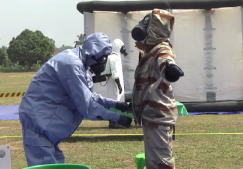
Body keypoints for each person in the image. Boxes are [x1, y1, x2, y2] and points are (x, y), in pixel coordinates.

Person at [18, 32, 132, 167]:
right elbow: (87, 105)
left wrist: (116, 104)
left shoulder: (80, 65)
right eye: (102, 59)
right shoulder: (71, 64)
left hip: (46, 125)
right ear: (93, 53)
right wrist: (117, 118)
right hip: (39, 123)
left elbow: (91, 96)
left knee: (57, 162)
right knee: (45, 164)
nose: (103, 64)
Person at [130, 9, 184, 169]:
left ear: (155, 28)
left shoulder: (162, 48)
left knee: (162, 164)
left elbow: (166, 60)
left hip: (158, 116)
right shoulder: (150, 51)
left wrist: (170, 69)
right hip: (151, 115)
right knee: (153, 163)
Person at [93, 39, 128, 129]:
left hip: (111, 83)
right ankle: (113, 122)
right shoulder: (115, 57)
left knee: (112, 101)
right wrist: (119, 85)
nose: (122, 49)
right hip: (114, 84)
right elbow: (115, 72)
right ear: (118, 47)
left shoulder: (111, 56)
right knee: (115, 101)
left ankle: (113, 121)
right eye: (121, 47)